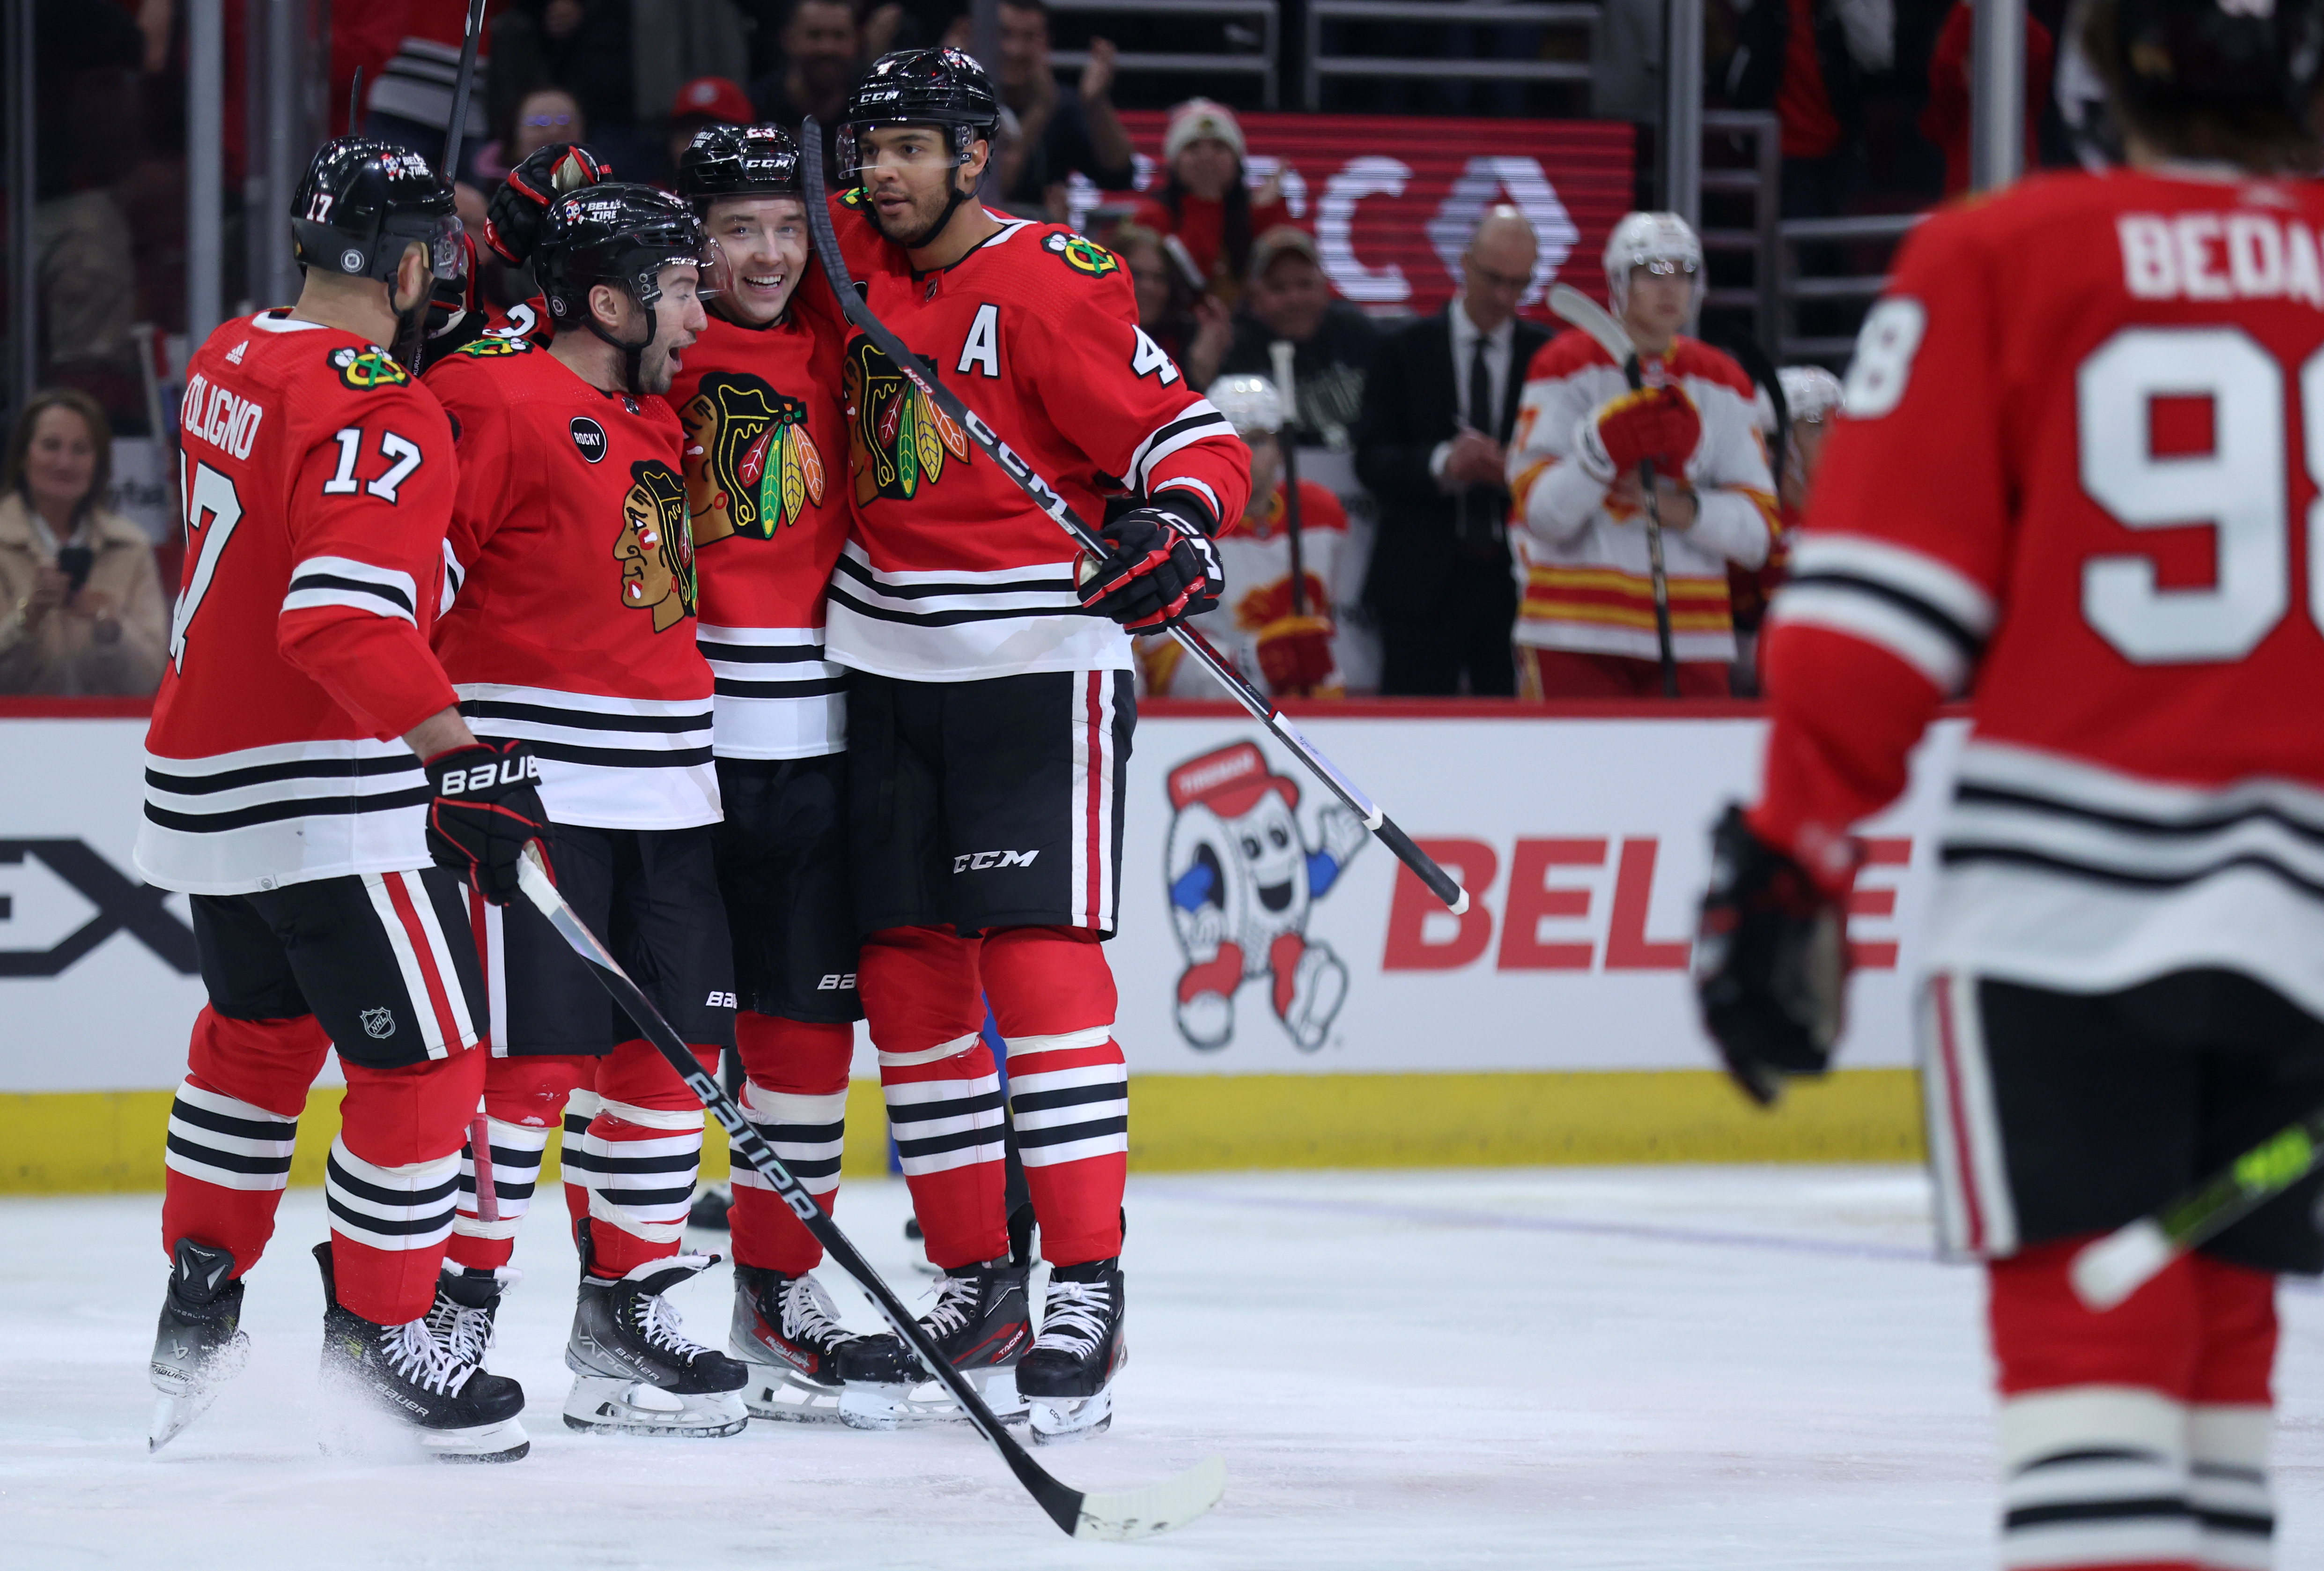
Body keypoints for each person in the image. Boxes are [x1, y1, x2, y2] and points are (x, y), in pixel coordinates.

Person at [1693, 5, 2324, 1569]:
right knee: (2218, 1377)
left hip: (2066, 932)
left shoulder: (2001, 254)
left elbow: (1866, 633)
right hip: (2307, 934)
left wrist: (1795, 858)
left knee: (2094, 1399)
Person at [822, 48, 1250, 1440]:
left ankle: (1083, 1281)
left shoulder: (1050, 277)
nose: (881, 169)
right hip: (879, 665)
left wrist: (1175, 524)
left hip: (1030, 663)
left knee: (1039, 967)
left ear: (972, 155)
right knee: (910, 987)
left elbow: (1188, 434)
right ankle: (975, 1278)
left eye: (909, 146)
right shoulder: (849, 265)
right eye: (868, 146)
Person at [136, 138, 546, 1462]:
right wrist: (457, 753)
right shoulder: (384, 408)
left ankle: (197, 1309)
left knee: (253, 1047)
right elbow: (339, 616)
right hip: (325, 788)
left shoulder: (231, 350)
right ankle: (382, 1336)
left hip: (205, 772)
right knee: (425, 1062)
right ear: (420, 264)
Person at [423, 179, 750, 1439]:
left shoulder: (647, 416)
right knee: (531, 1067)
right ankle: (457, 1306)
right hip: (539, 787)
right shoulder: (490, 398)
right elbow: (409, 581)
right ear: (609, 302)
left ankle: (628, 1304)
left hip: (673, 788)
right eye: (676, 288)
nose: (698, 312)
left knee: (672, 1061)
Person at [667, 122, 865, 1422]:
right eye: (739, 229)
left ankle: (777, 1286)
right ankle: (620, 1296)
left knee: (804, 1029)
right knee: (653, 1048)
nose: (768, 253)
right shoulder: (656, 347)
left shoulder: (843, 340)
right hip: (673, 746)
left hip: (822, 739)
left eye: (787, 227)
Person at [1503, 212, 1777, 697]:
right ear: (1617, 281)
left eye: (1683, 272)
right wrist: (1599, 453)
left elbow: (1757, 537)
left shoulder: (1723, 380)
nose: (1669, 287)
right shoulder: (1563, 365)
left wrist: (1679, 509)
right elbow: (1541, 516)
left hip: (1693, 640)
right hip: (1571, 632)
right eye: (1651, 271)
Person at [1352, 207, 1548, 697]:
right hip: (1421, 582)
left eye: (1519, 285)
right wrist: (1443, 463)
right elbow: (1369, 458)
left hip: (1516, 584)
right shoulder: (1401, 348)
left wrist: (1520, 472)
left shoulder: (1548, 357)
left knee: (1517, 737)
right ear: (1464, 264)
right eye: (1494, 279)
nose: (1504, 297)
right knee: (1410, 737)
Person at [1141, 374, 1347, 700]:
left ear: (1281, 449)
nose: (1244, 456)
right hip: (1217, 720)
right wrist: (1256, 664)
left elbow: (1341, 630)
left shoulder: (1321, 515)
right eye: (1229, 440)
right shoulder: (1175, 530)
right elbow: (1164, 668)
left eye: (1258, 440)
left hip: (1319, 711)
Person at [0, 389, 168, 695]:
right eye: (51, 446)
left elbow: (150, 681)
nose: (65, 462)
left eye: (81, 450)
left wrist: (110, 628)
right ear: (23, 456)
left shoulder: (131, 546)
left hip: (108, 736)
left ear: (98, 464)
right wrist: (29, 617)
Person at [1219, 227, 1378, 452]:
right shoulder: (1235, 348)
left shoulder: (1357, 333)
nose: (1294, 299)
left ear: (1324, 287)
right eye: (1279, 288)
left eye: (1305, 285)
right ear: (1254, 297)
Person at [1129, 98, 1291, 304]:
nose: (1206, 157)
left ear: (1237, 162)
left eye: (1219, 146)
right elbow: (1188, 285)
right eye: (1193, 147)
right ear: (1174, 164)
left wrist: (1270, 214)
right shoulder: (1151, 218)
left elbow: (1283, 286)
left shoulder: (1259, 211)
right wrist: (1206, 204)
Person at [987, 0, 1133, 208]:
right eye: (1005, 34)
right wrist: (1039, 112)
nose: (1015, 50)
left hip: (1045, 235)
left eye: (1029, 37)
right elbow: (989, 191)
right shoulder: (965, 103)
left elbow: (1120, 175)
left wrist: (1096, 103)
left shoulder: (1063, 104)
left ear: (1046, 44)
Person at [751, 0, 878, 185]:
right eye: (814, 35)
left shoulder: (872, 107)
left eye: (839, 36)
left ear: (857, 41)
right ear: (788, 39)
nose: (827, 48)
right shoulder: (756, 109)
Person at [1115, 221, 1232, 392]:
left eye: (1159, 278)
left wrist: (1202, 367)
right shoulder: (1088, 335)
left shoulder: (1187, 337)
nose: (1149, 288)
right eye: (1136, 275)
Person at [665, 75, 759, 176]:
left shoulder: (771, 190)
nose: (701, 147)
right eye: (687, 133)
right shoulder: (653, 190)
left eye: (717, 136)